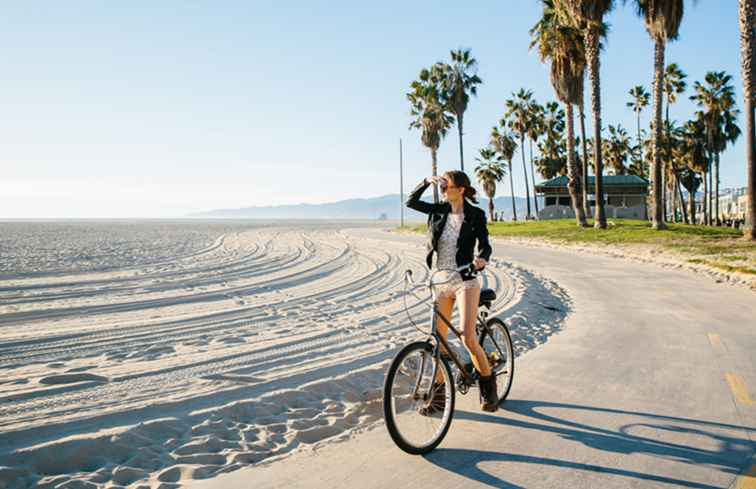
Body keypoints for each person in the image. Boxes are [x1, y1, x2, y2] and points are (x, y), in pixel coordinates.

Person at [405, 170, 498, 413]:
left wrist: (482, 259)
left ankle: (489, 388)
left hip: (465, 279)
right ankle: (438, 398)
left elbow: (485, 245)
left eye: (448, 186)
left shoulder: (476, 215)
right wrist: (427, 181)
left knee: (467, 337)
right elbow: (411, 202)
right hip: (441, 280)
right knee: (438, 340)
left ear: (462, 190)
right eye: (442, 186)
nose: (444, 189)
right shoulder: (438, 211)